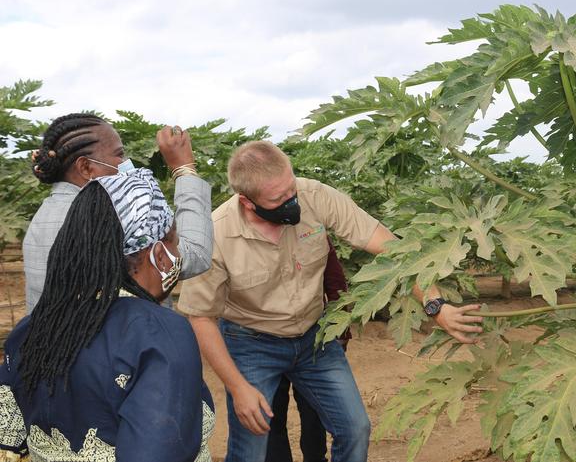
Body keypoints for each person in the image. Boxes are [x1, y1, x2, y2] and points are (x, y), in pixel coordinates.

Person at [178, 140, 483, 462]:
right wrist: (238, 388)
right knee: (251, 448)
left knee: (355, 429)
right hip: (252, 343)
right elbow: (201, 317)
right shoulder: (216, 234)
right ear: (247, 202)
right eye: (278, 199)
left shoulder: (316, 196)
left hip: (315, 338)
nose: (291, 202)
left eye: (291, 189)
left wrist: (435, 305)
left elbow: (394, 248)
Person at [0, 169, 214, 461]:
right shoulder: (160, 333)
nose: (177, 255)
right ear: (159, 255)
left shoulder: (33, 328)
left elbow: (8, 439)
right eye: (174, 243)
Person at [23, 113, 212, 312]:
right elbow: (195, 255)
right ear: (86, 168)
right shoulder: (113, 219)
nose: (125, 163)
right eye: (119, 154)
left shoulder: (41, 219)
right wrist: (183, 168)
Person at [266, 237, 351, 462]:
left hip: (308, 338)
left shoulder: (313, 234)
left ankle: (315, 458)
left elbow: (335, 283)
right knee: (275, 414)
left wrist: (339, 331)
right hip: (266, 340)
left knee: (309, 410)